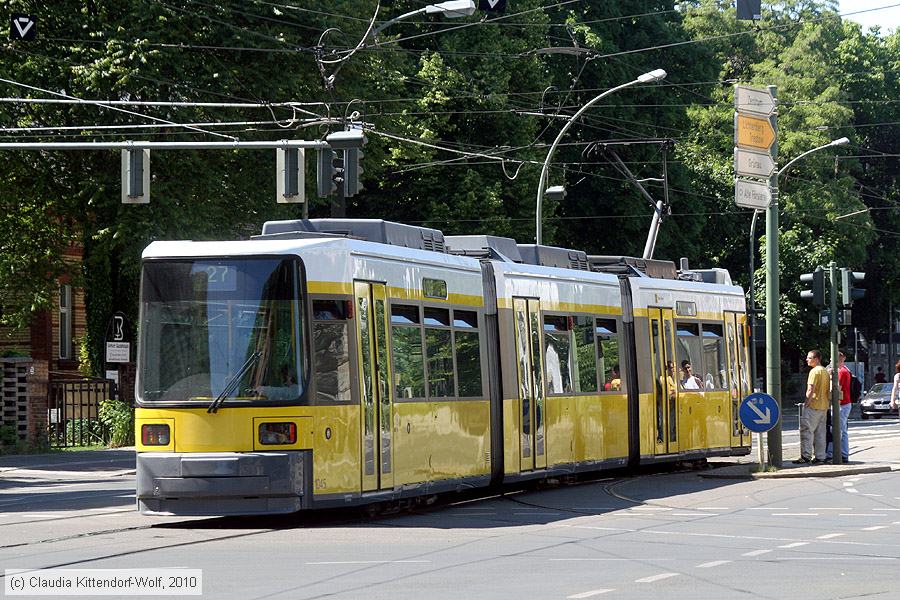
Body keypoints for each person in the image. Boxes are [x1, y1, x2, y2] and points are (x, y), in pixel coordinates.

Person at [794, 349, 830, 464]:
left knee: (807, 431)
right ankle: (820, 457)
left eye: (809, 358)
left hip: (813, 405)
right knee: (820, 433)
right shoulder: (825, 371)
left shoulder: (814, 372)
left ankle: (806, 456)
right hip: (823, 406)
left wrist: (806, 403)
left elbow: (810, 389)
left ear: (816, 359)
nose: (807, 360)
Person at [826, 350, 851, 462]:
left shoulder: (841, 372)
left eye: (831, 359)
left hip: (840, 404)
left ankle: (832, 453)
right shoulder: (846, 370)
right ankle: (844, 453)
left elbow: (836, 388)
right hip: (846, 403)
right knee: (843, 430)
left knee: (836, 429)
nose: (830, 361)